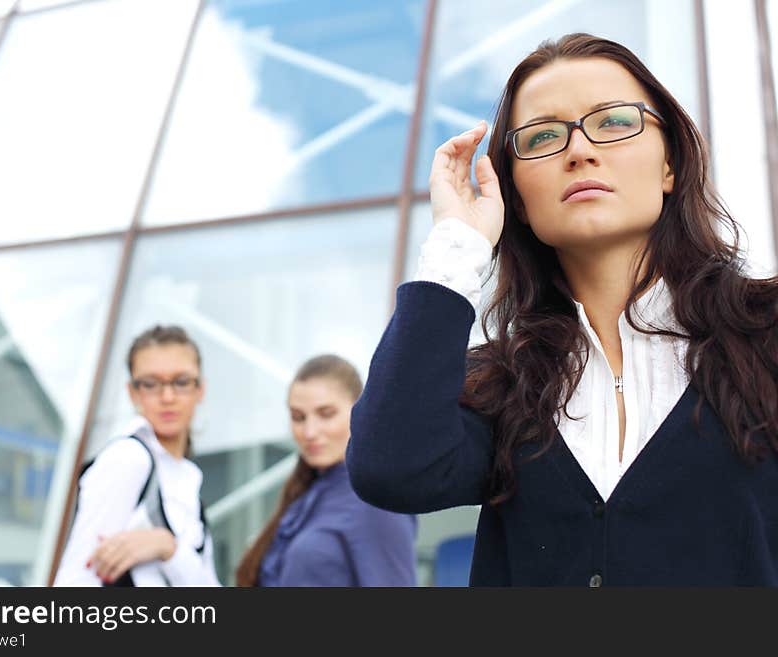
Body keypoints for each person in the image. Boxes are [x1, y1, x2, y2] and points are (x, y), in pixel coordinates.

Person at [347, 33, 778, 586]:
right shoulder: (502, 383)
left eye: (615, 122)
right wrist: (457, 244)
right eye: (544, 136)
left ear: (669, 165)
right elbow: (391, 468)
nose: (579, 150)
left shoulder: (764, 332)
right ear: (518, 198)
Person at [54, 325, 220, 586]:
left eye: (181, 382)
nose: (167, 397)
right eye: (151, 384)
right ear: (133, 393)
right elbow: (77, 577)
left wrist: (168, 547)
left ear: (200, 389)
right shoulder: (128, 459)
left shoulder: (187, 478)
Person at [234, 354, 417, 586]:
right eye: (298, 417)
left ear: (360, 410)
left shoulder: (376, 499)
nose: (309, 431)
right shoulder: (306, 494)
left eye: (326, 414)